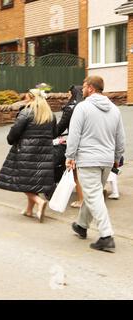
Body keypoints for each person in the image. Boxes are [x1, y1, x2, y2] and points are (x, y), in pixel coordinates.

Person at [66, 76, 125, 253]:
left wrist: (70, 155)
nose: (82, 89)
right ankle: (82, 225)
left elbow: (74, 134)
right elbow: (120, 138)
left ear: (90, 88)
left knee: (93, 195)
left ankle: (106, 235)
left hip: (88, 159)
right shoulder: (114, 110)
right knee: (94, 194)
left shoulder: (82, 107)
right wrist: (117, 157)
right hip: (107, 160)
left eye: (84, 86)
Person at [0, 89, 56, 222]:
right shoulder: (50, 115)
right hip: (44, 153)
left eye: (27, 98)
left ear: (32, 98)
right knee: (33, 180)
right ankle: (29, 210)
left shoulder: (26, 112)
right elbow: (54, 133)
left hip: (25, 152)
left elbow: (15, 131)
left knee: (20, 180)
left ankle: (39, 202)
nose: (25, 100)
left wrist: (10, 140)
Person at [54, 85, 84, 208]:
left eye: (68, 93)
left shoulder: (71, 107)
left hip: (77, 143)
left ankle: (82, 200)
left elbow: (61, 126)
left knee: (76, 173)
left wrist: (51, 133)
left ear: (72, 93)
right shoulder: (86, 104)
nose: (67, 96)